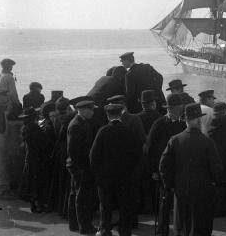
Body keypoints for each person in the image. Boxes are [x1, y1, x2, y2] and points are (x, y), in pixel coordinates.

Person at [159, 103, 222, 236]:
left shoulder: (175, 140)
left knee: (182, 224)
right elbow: (217, 168)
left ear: (185, 121)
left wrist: (170, 185)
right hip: (202, 190)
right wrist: (214, 184)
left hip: (181, 189)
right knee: (200, 225)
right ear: (199, 120)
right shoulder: (207, 142)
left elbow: (163, 166)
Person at [90, 103, 143, 236]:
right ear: (121, 114)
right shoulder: (129, 131)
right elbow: (137, 154)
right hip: (125, 177)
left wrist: (98, 174)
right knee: (124, 205)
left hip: (106, 177)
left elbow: (93, 155)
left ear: (107, 115)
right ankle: (125, 231)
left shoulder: (103, 131)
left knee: (105, 205)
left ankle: (105, 230)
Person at [146, 94, 186, 236]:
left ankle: (179, 230)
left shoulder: (183, 124)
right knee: (165, 202)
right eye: (180, 107)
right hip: (165, 170)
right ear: (173, 108)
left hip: (181, 169)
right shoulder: (159, 124)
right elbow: (150, 149)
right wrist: (153, 170)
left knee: (180, 202)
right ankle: (162, 231)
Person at [66, 100, 99, 234]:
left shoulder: (79, 122)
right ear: (83, 110)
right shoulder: (77, 125)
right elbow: (74, 151)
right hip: (80, 166)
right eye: (90, 109)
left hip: (76, 165)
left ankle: (74, 224)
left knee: (75, 195)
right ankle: (85, 227)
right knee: (82, 197)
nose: (92, 112)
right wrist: (85, 167)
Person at [18, 107, 53, 213]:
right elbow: (43, 144)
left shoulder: (25, 128)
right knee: (38, 182)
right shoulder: (35, 129)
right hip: (38, 159)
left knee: (31, 182)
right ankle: (39, 205)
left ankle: (34, 205)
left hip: (30, 158)